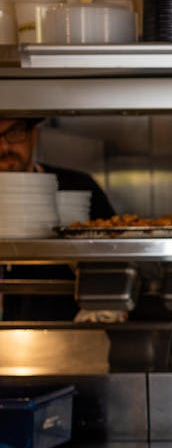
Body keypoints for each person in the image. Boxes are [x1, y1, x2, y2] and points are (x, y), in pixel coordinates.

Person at [0, 117, 116, 321]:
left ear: (34, 135)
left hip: (69, 333)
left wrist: (107, 304)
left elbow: (115, 257)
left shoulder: (79, 187)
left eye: (14, 132)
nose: (4, 146)